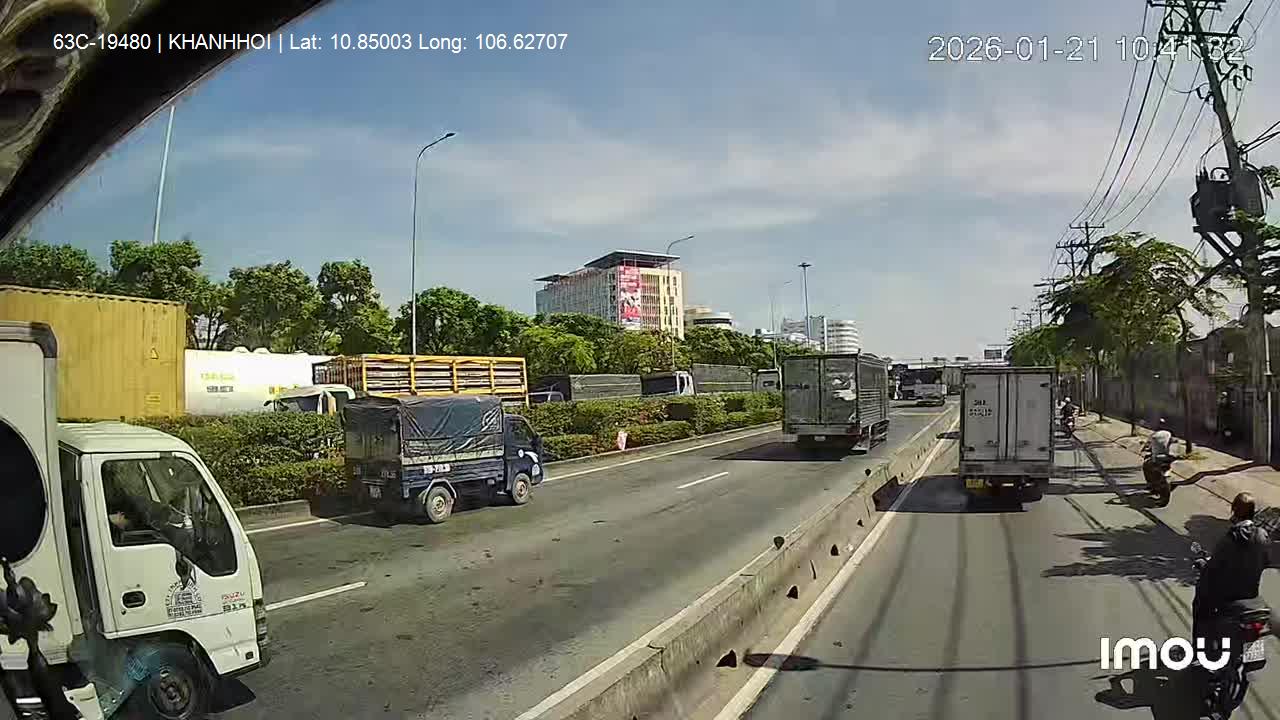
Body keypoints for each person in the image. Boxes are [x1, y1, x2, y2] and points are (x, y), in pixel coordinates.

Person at [1192, 492, 1270, 653]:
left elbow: (1212, 568)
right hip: (1252, 594)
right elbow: (1266, 561)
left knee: (1200, 604)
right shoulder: (1262, 535)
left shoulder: (1230, 539)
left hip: (1227, 596)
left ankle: (1200, 649)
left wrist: (1202, 564)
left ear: (1234, 511)